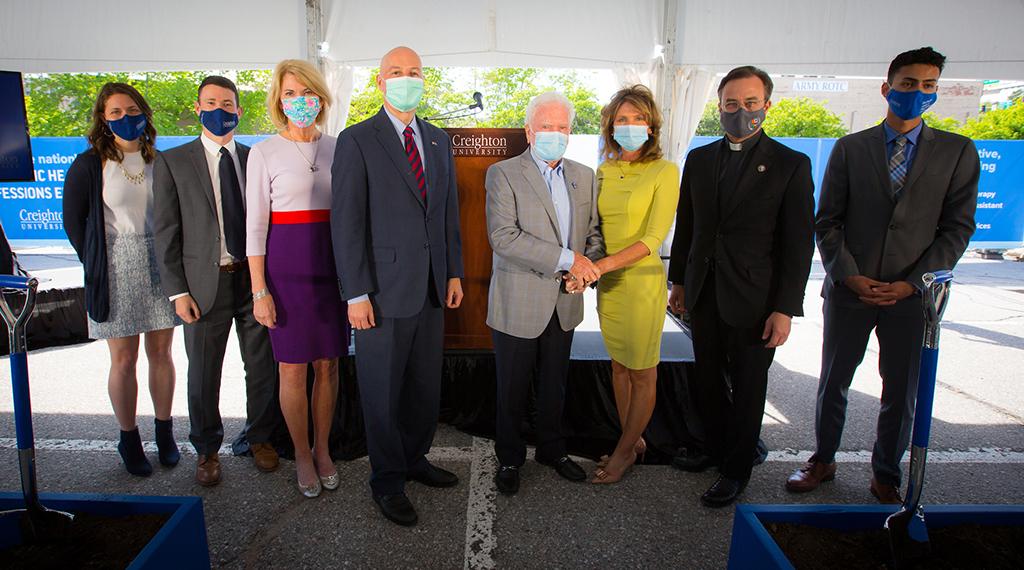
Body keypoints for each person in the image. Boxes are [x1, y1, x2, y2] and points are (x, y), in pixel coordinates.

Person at [785, 47, 979, 504]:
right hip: (851, 290)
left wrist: (914, 282)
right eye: (908, 83)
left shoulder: (957, 152)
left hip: (914, 297)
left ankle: (887, 472)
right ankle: (823, 459)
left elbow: (957, 228)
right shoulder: (851, 148)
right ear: (887, 88)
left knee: (901, 389)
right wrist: (849, 276)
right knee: (834, 380)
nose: (917, 92)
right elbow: (827, 221)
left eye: (928, 85)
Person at [668, 66, 814, 507]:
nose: (740, 112)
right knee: (708, 382)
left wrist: (785, 308)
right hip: (704, 293)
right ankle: (714, 450)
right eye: (731, 104)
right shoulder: (700, 158)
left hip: (756, 300)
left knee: (750, 389)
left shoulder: (791, 164)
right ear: (719, 108)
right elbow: (688, 226)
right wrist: (678, 281)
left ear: (767, 106)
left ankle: (737, 470)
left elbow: (797, 244)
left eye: (750, 103)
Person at [332, 46, 464, 526]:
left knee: (423, 386)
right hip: (380, 293)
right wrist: (356, 293)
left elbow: (446, 212)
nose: (406, 79)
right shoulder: (356, 140)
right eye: (396, 72)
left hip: (430, 287)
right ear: (379, 81)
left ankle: (414, 458)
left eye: (414, 73)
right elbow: (346, 224)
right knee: (382, 389)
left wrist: (452, 272)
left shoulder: (437, 140)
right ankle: (387, 479)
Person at [153, 76, 281, 488]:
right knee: (204, 372)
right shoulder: (173, 162)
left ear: (239, 111)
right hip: (203, 286)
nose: (220, 111)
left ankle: (260, 437)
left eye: (228, 104)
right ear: (197, 108)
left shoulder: (256, 157)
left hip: (253, 280)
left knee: (262, 366)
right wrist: (178, 292)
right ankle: (207, 449)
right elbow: (166, 233)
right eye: (211, 103)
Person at [485, 91, 604, 495]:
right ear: (529, 131)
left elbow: (593, 235)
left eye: (562, 127)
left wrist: (586, 269)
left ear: (570, 131)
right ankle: (510, 458)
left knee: (555, 383)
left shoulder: (584, 174)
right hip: (518, 301)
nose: (554, 134)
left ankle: (552, 449)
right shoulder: (503, 173)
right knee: (512, 388)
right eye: (546, 127)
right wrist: (569, 259)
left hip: (566, 300)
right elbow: (504, 238)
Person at [63, 83, 180, 477]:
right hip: (115, 265)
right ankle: (129, 437)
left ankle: (165, 432)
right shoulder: (89, 164)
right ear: (102, 119)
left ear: (145, 114)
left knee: (162, 354)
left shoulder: (159, 161)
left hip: (160, 262)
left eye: (132, 110)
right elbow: (74, 224)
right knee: (123, 358)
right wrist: (98, 262)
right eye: (115, 112)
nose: (125, 118)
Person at [246, 60, 349, 498]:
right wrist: (259, 290)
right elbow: (255, 227)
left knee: (328, 364)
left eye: (306, 92)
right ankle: (302, 455)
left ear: (321, 98)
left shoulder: (341, 147)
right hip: (285, 274)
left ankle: (324, 449)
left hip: (334, 269)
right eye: (290, 94)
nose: (299, 101)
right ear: (278, 101)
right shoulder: (263, 153)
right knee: (292, 369)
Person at [583, 85, 679, 484]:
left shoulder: (665, 171)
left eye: (639, 118)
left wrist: (600, 266)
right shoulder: (602, 172)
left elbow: (654, 239)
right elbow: (595, 228)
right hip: (610, 285)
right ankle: (632, 440)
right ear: (610, 126)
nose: (631, 125)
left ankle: (623, 453)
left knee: (643, 372)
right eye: (622, 119)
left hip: (641, 285)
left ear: (652, 125)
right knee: (619, 367)